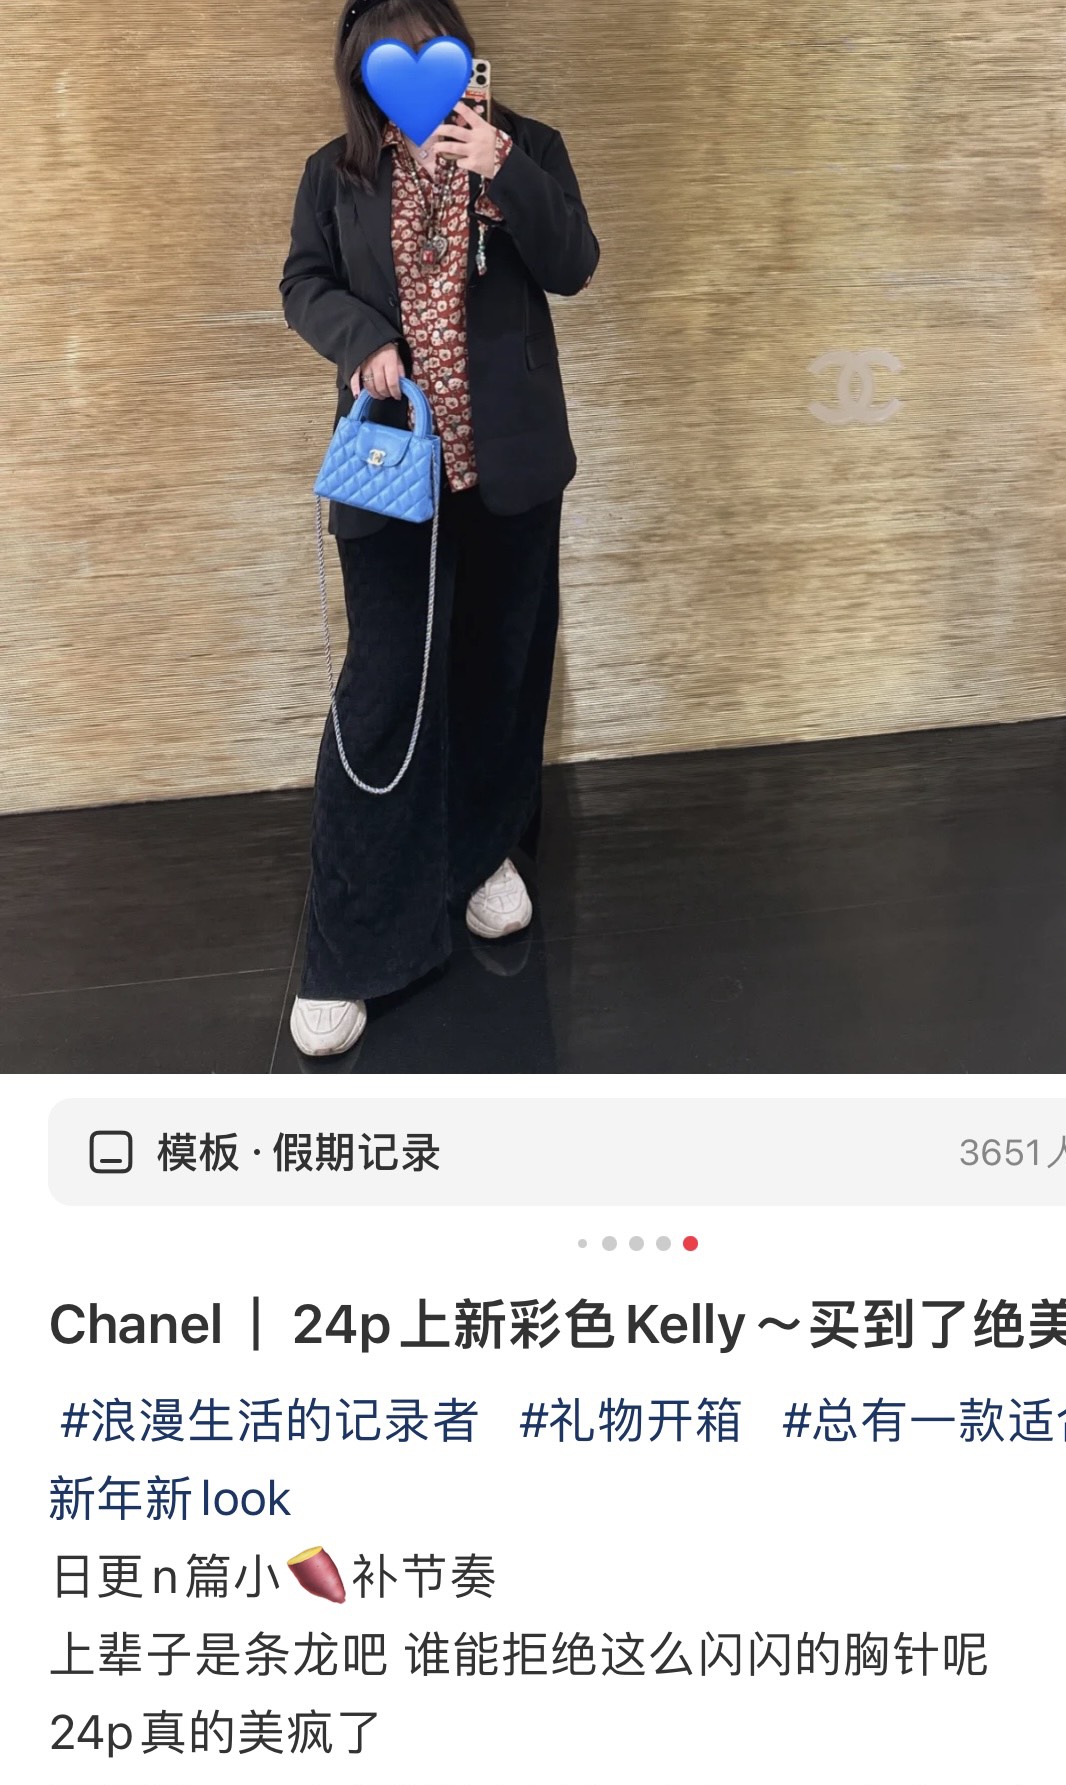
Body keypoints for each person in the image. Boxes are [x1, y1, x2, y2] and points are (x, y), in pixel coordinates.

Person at [280, 0, 598, 1056]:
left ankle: (482, 854)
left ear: (461, 54)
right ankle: (351, 945)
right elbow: (303, 282)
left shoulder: (527, 145)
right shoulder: (336, 173)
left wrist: (503, 166)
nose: (415, 69)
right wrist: (360, 338)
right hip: (391, 462)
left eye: (431, 49)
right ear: (360, 72)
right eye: (391, 56)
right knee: (385, 692)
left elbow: (574, 263)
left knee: (500, 671)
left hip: (510, 464)